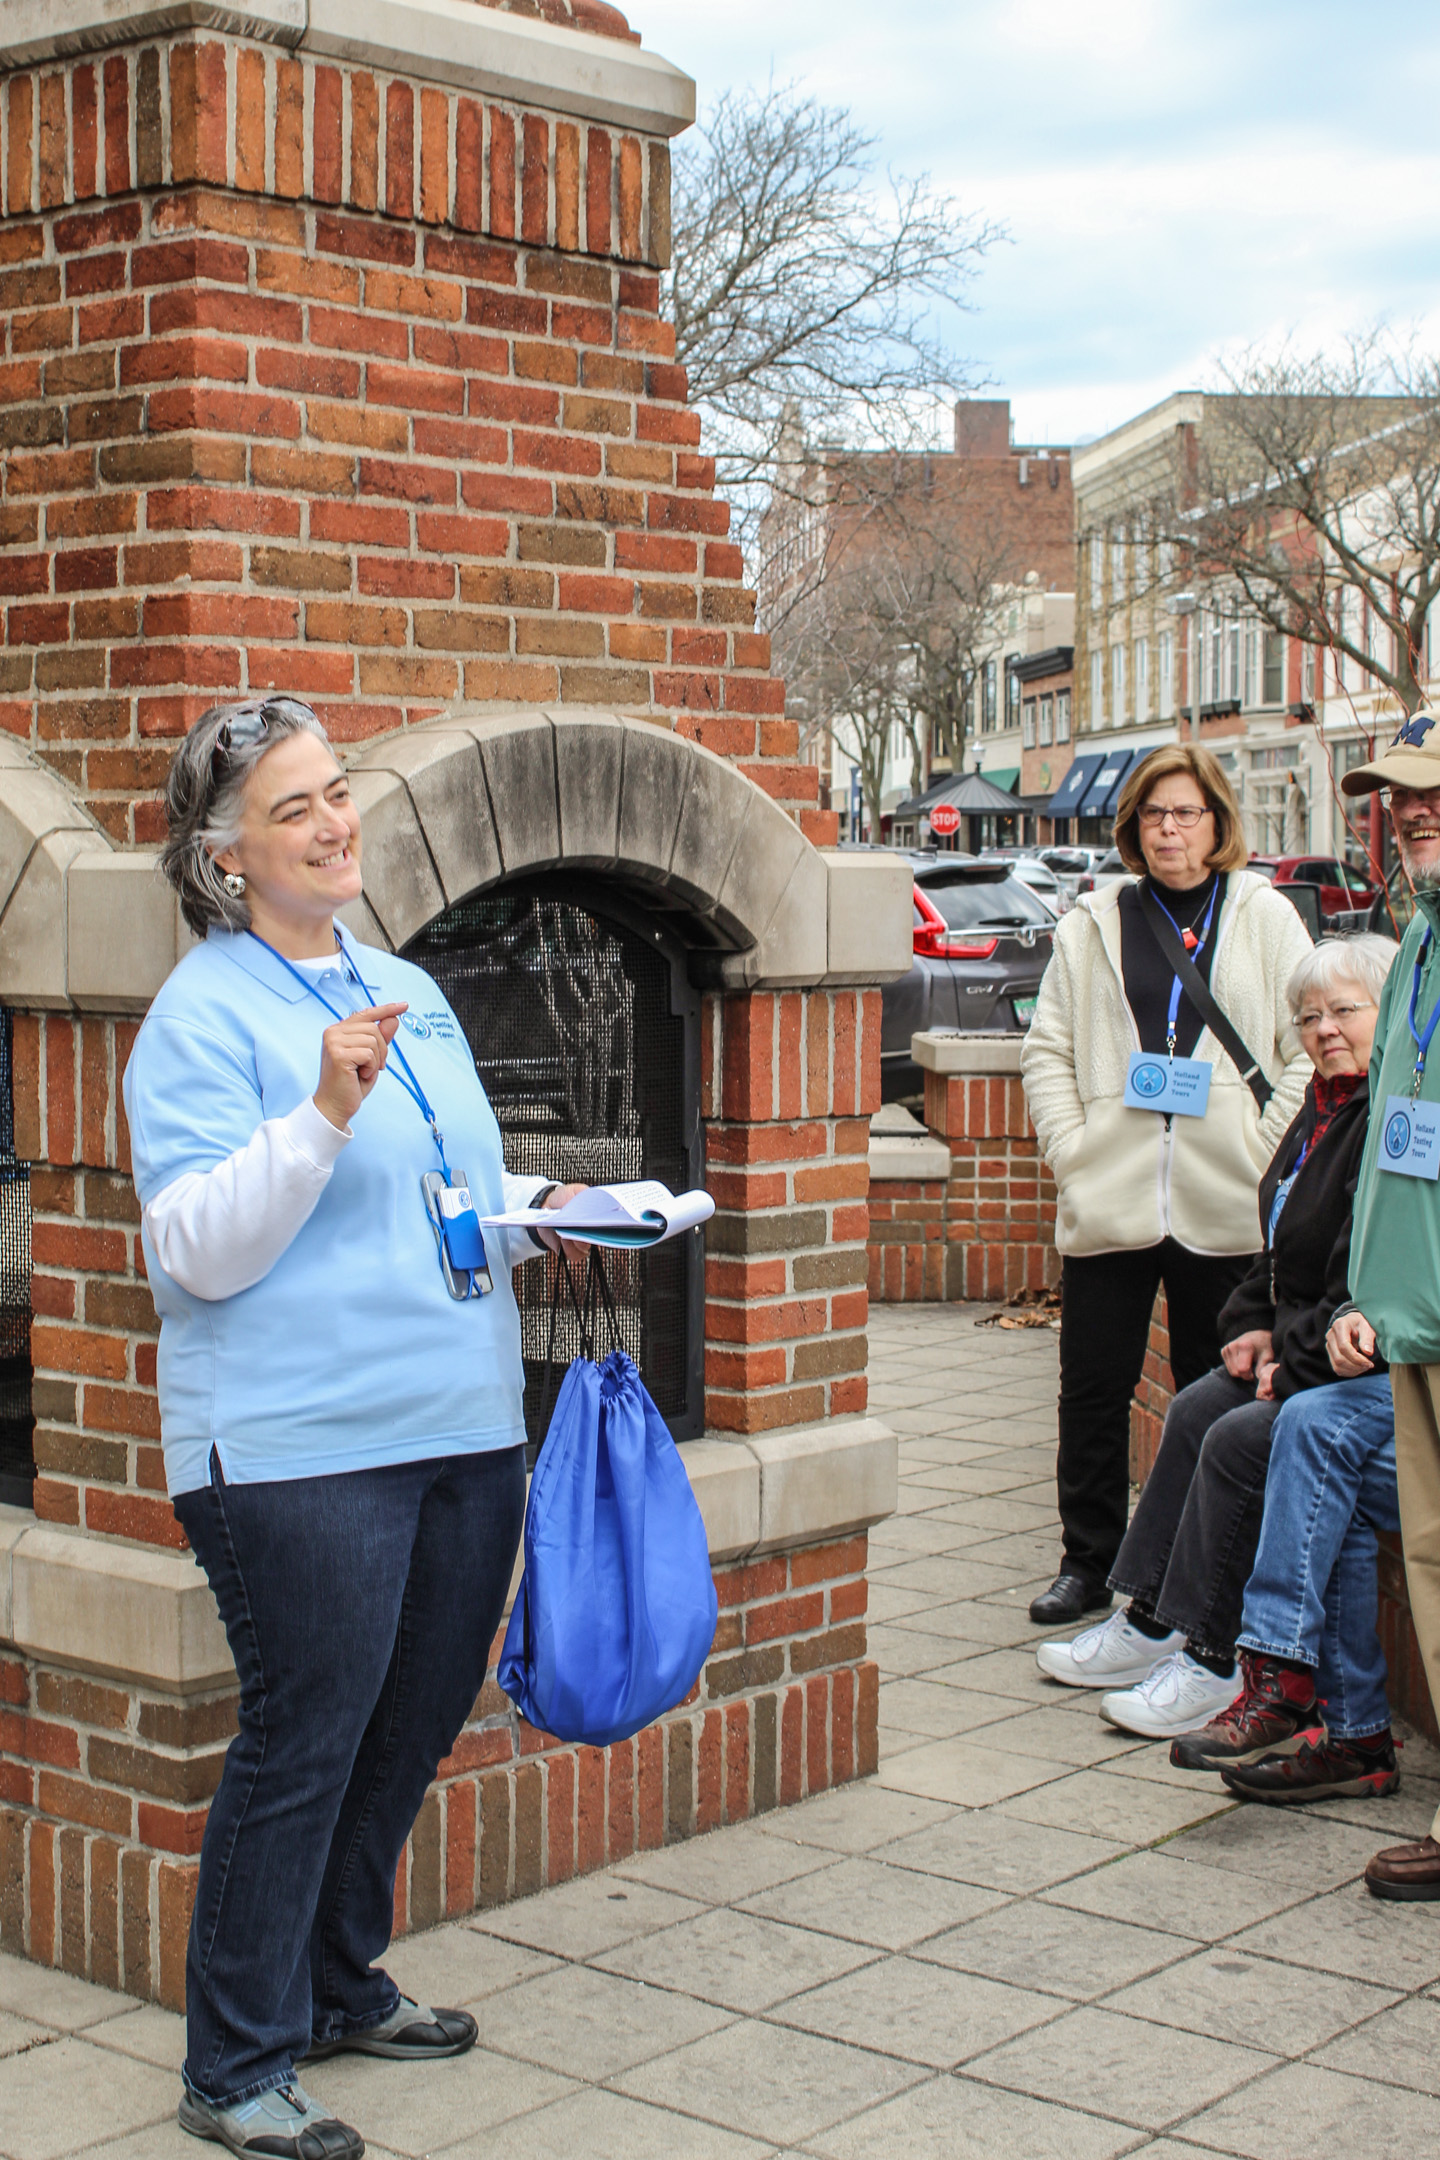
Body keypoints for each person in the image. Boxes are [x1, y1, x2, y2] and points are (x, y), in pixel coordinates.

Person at [124, 699, 584, 2160]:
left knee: (410, 1719)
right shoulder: (202, 1015)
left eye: (338, 793)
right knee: (304, 1739)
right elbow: (193, 1249)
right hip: (295, 1447)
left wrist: (539, 1223)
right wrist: (319, 1109)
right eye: (295, 807)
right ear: (225, 856)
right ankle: (235, 2064)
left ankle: (333, 1985)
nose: (336, 823)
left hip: (457, 1419)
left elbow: (440, 1195)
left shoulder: (408, 986)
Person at [1034, 936, 1394, 1735]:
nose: (1323, 1029)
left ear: (1390, 1013)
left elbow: (1362, 1277)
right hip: (1305, 1345)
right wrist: (1254, 1323)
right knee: (1197, 1405)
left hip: (1360, 1373)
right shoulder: (1324, 1109)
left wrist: (1290, 1356)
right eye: (1308, 1017)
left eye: (1344, 1011)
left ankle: (1214, 1655)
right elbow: (1280, 1248)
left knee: (1239, 1436)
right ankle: (1152, 1619)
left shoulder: (1388, 1122)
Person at [1021, 743, 1314, 1624]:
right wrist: (1074, 1154)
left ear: (1218, 824)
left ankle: (1183, 1581)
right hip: (1112, 1193)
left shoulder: (1263, 916)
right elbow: (1047, 1050)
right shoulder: (1094, 921)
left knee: (1206, 1393)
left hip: (1223, 1207)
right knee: (1094, 1388)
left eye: (1187, 813)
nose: (1171, 829)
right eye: (1155, 814)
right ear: (1133, 827)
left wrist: (1257, 1159)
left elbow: (1309, 1054)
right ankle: (1088, 1560)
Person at [1336, 708, 1440, 1897]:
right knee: (1431, 1562)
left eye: (1431, 792)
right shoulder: (1412, 944)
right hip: (1410, 1322)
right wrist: (1370, 1291)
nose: (1410, 811)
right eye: (1396, 795)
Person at [1168, 1353, 1398, 1802]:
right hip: (1409, 1375)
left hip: (1418, 1375)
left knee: (1309, 1423)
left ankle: (1279, 1680)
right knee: (1326, 1477)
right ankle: (1359, 1741)